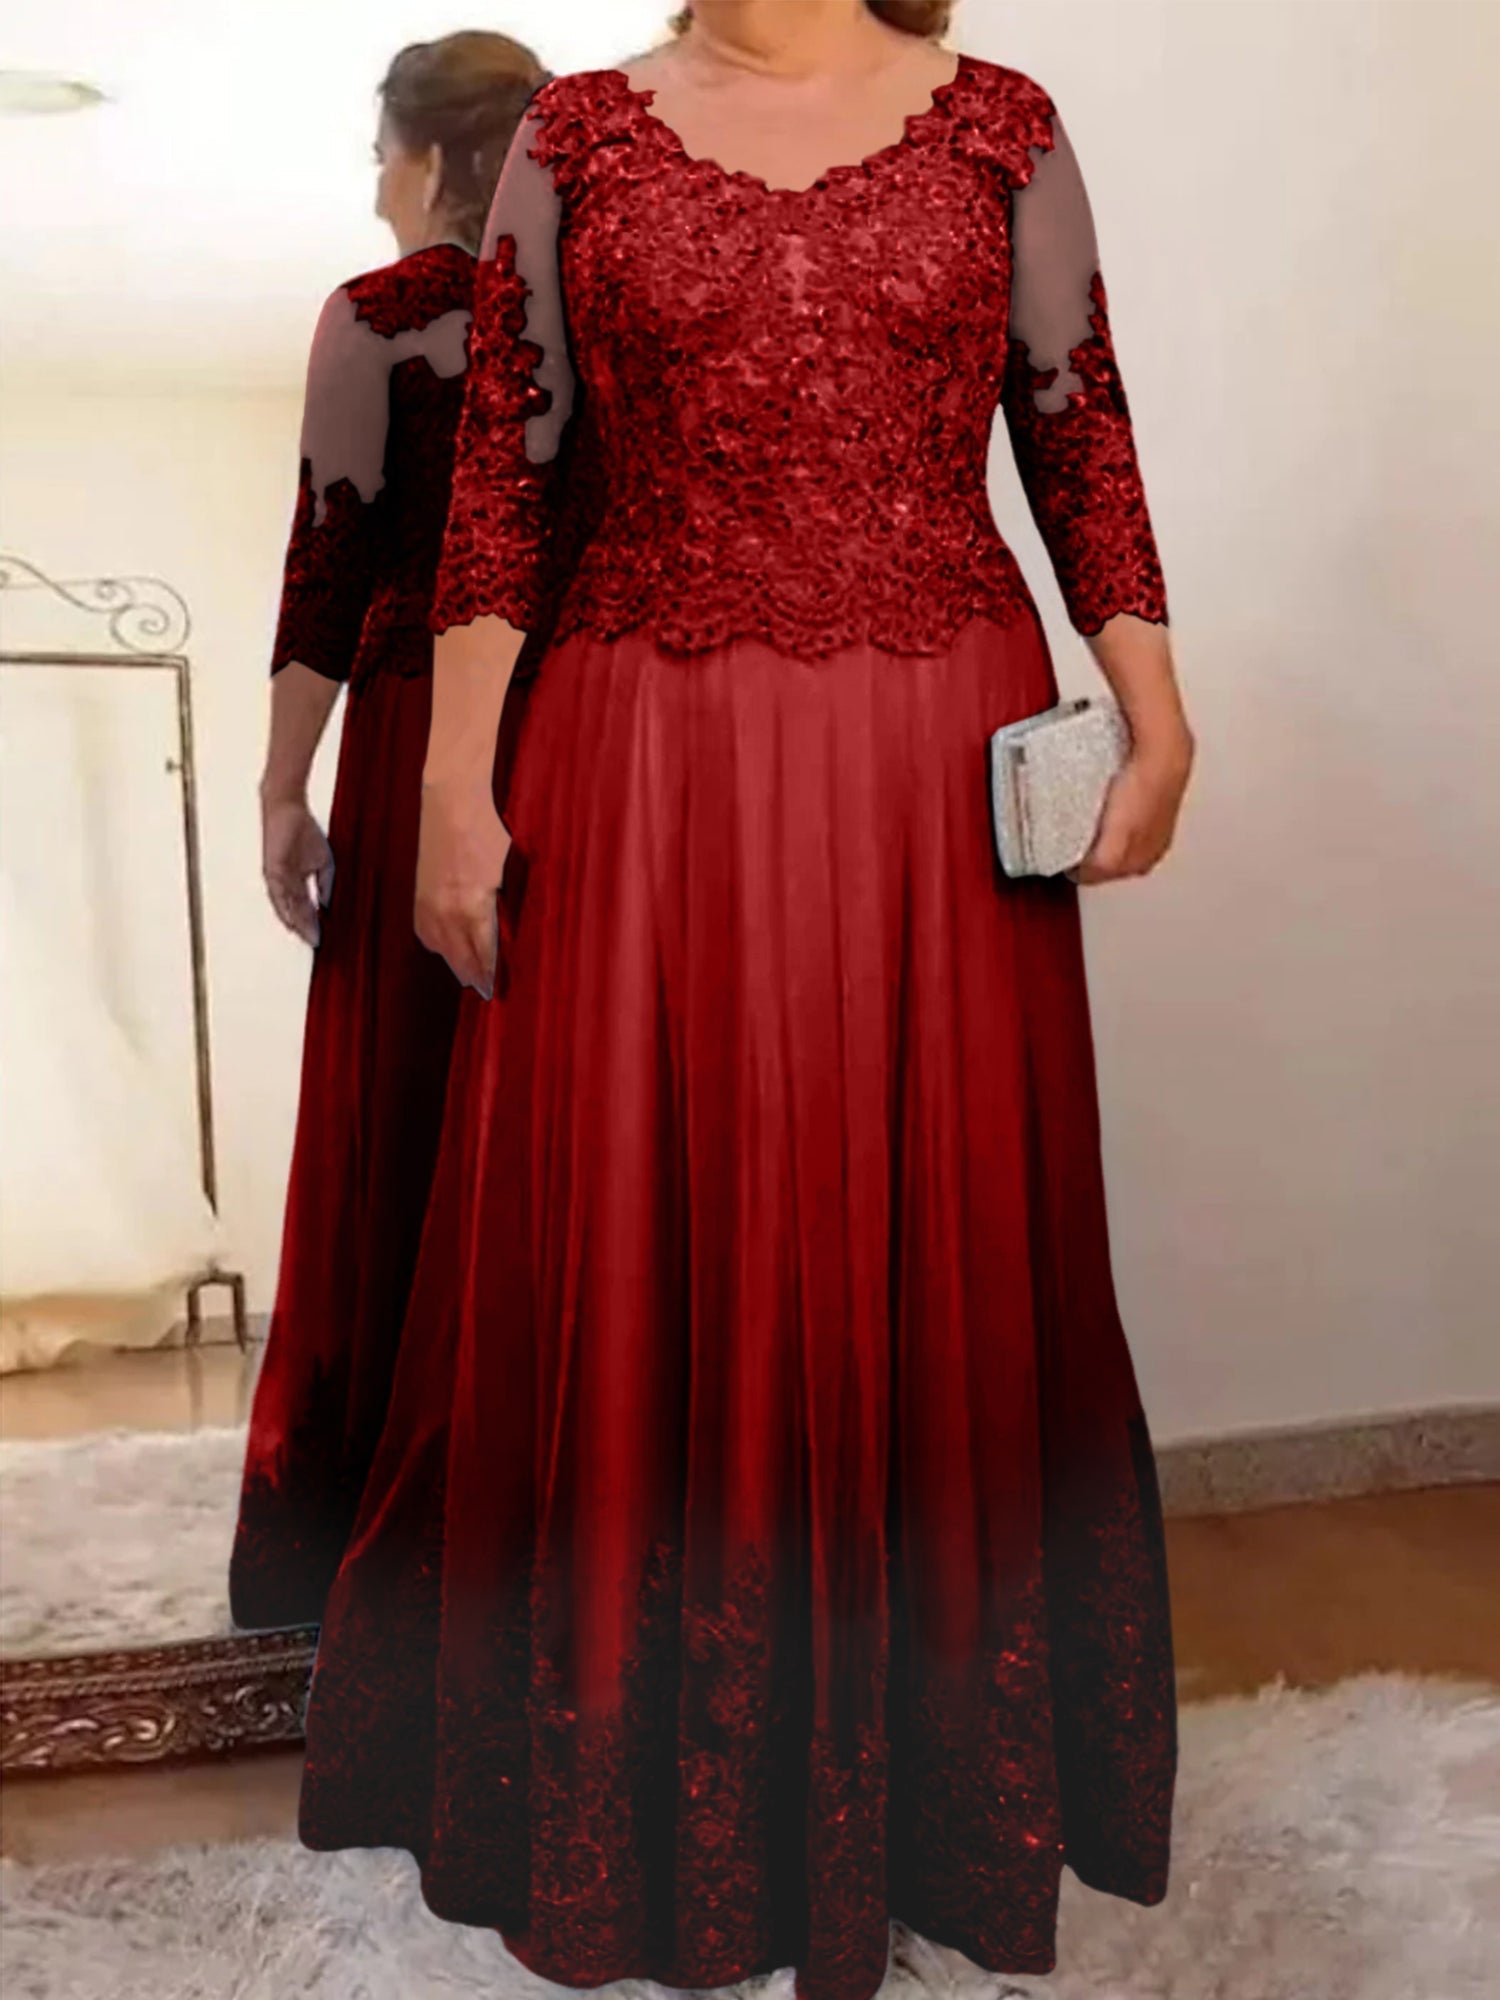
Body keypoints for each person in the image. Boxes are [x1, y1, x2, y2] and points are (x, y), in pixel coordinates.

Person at [298, 2, 1193, 1993]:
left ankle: (935, 1801)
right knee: (631, 1226)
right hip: (639, 749)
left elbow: (1080, 425)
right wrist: (452, 786)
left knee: (937, 1230)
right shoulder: (582, 136)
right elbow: (505, 480)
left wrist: (1157, 702)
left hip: (930, 752)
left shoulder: (1001, 123)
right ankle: (638, 1807)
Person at [227, 30, 550, 1631]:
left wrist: (280, 787)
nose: (372, 187)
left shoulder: (379, 317)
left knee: (402, 1088)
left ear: (425, 159)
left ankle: (366, 1515)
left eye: (379, 156)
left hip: (424, 725)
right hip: (578, 742)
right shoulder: (589, 319)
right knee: (550, 1103)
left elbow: (327, 563)